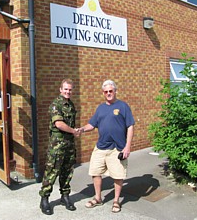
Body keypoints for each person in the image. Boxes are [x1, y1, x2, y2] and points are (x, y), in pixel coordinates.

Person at [80, 79, 135, 213]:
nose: (109, 93)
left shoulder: (123, 106)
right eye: (106, 92)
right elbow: (92, 124)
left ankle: (116, 201)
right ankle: (98, 198)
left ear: (115, 91)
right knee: (95, 172)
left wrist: (127, 146)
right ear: (103, 93)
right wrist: (81, 129)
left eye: (111, 91)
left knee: (117, 175)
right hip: (101, 147)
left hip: (117, 148)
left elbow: (130, 126)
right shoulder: (100, 108)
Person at [39, 78, 81, 215]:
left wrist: (74, 131)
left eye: (70, 89)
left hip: (69, 144)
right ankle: (44, 199)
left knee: (67, 171)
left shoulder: (71, 105)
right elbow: (59, 124)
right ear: (60, 90)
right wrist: (74, 131)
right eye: (66, 89)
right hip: (57, 145)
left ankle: (65, 197)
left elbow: (69, 123)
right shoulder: (55, 104)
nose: (68, 91)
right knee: (52, 172)